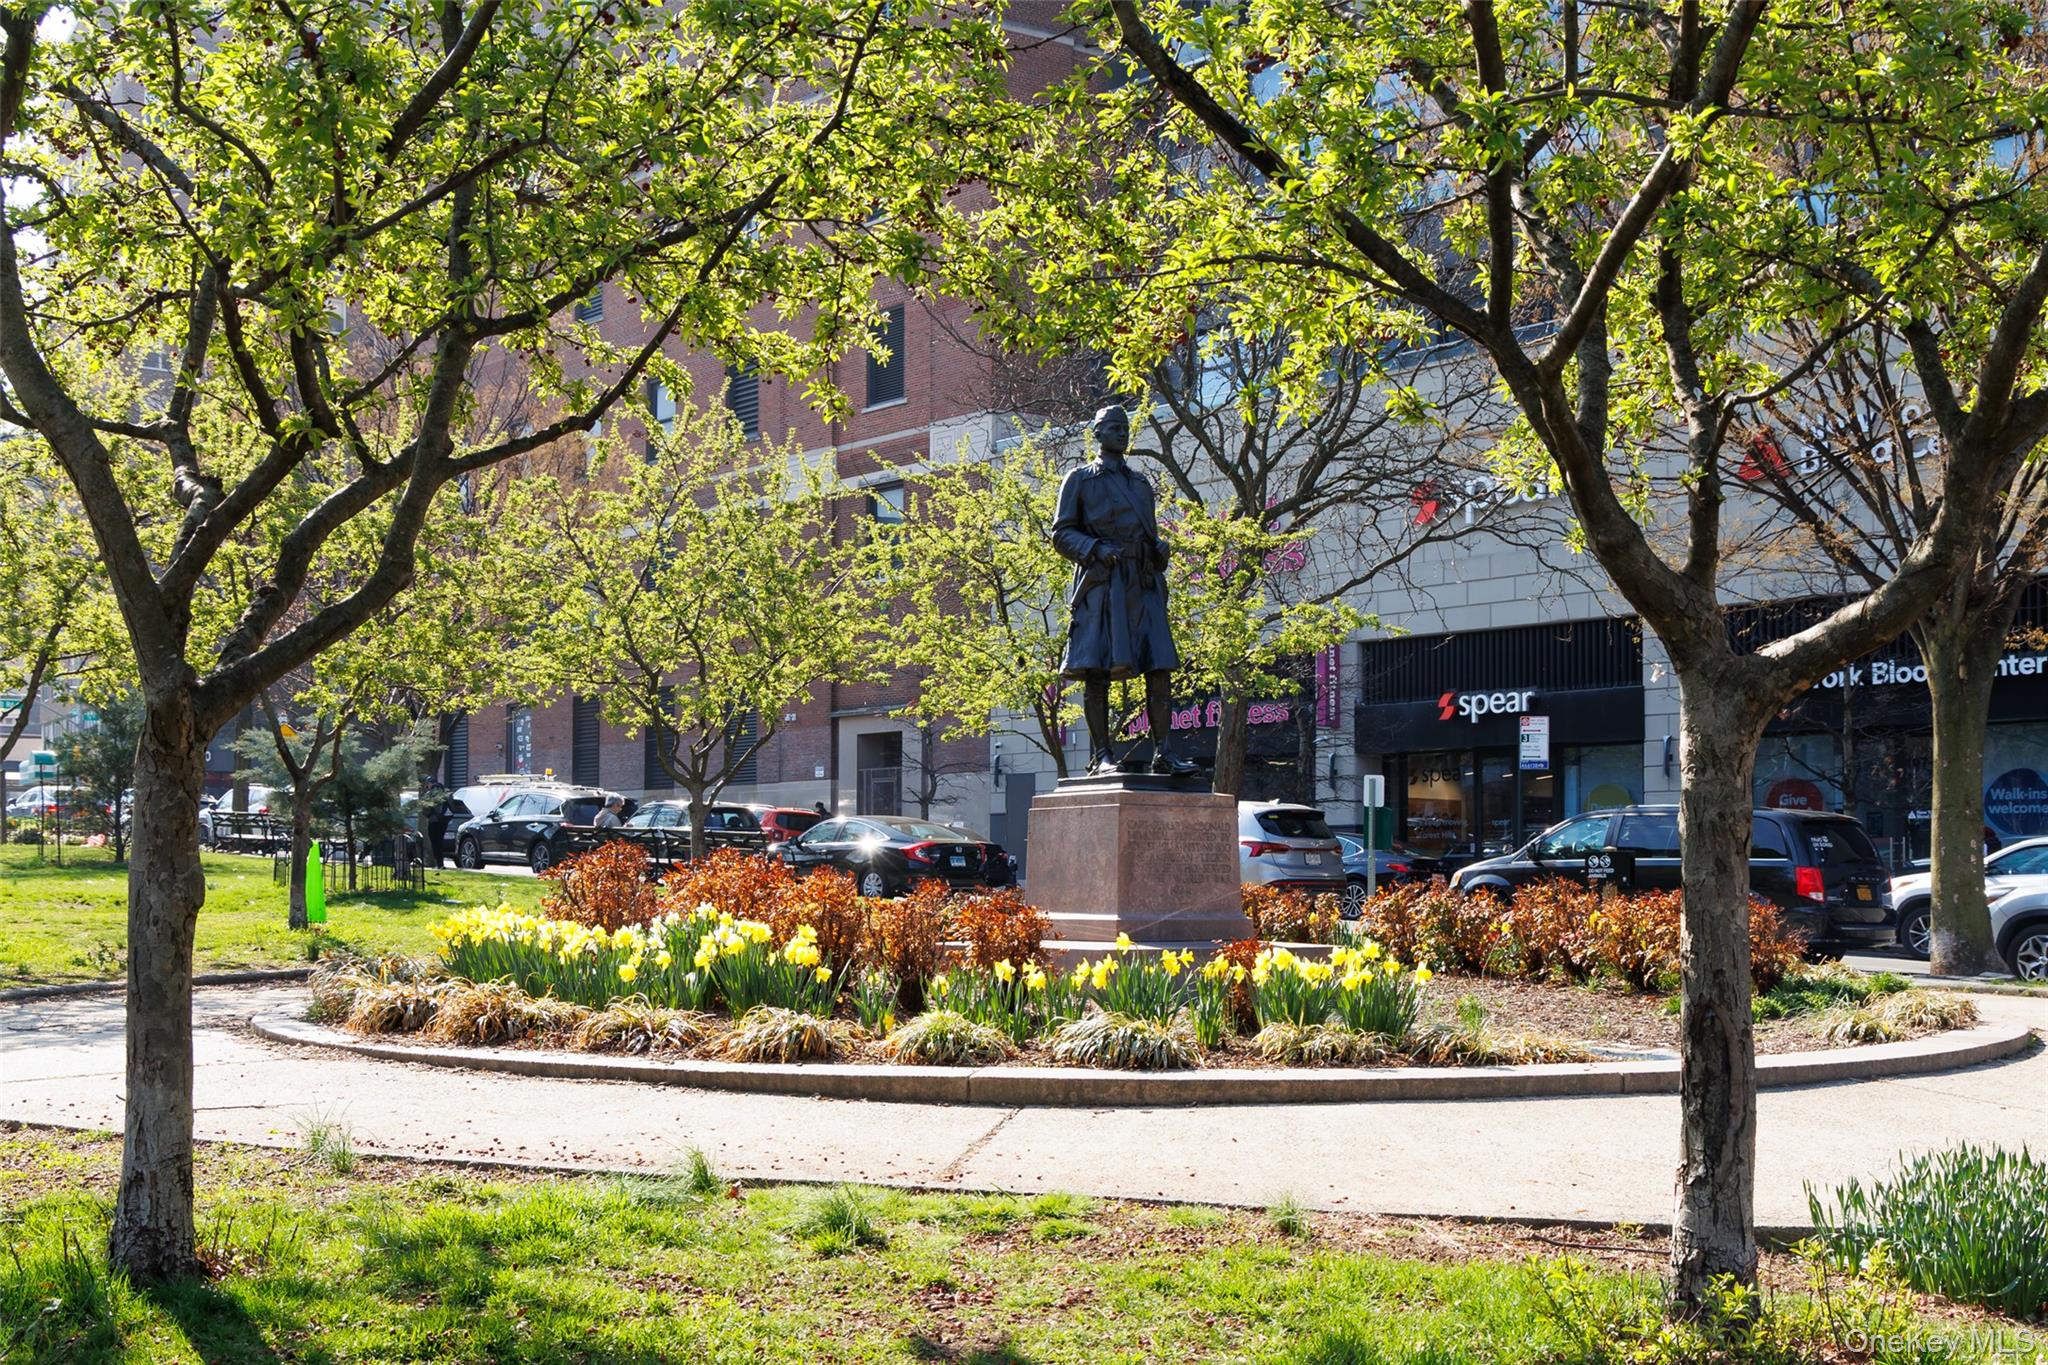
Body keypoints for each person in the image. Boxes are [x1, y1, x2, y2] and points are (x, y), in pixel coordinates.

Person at [1050, 405, 1198, 778]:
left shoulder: (1140, 484)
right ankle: (1102, 755)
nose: (1121, 432)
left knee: (1159, 666)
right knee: (1097, 669)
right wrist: (1095, 549)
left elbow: (1149, 534)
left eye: (1125, 427)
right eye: (1113, 427)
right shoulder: (1080, 479)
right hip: (1104, 581)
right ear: (1097, 434)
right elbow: (1062, 533)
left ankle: (1164, 752)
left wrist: (1160, 551)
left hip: (1143, 582)